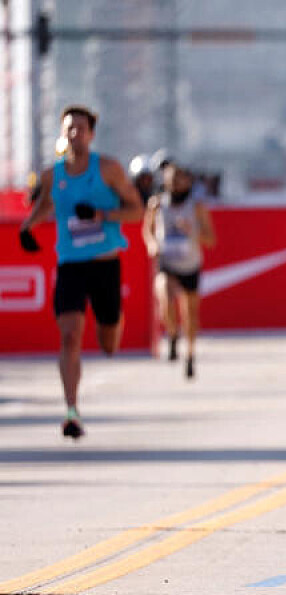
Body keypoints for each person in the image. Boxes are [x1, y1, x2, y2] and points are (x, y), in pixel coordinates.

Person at [18, 105, 144, 439]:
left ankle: (114, 320)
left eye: (81, 128)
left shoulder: (109, 169)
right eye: (69, 129)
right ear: (62, 134)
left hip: (105, 263)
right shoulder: (53, 175)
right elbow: (45, 205)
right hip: (71, 265)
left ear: (91, 134)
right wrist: (27, 228)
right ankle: (71, 411)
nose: (75, 134)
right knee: (70, 335)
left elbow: (136, 210)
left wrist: (103, 216)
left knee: (108, 342)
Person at [142, 162, 216, 379]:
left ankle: (190, 354)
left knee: (190, 314)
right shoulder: (157, 204)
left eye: (178, 178)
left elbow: (211, 239)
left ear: (188, 181)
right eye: (170, 178)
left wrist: (193, 231)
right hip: (167, 261)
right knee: (164, 295)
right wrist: (152, 244)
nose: (174, 182)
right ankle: (172, 333)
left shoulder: (197, 207)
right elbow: (147, 229)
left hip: (190, 264)